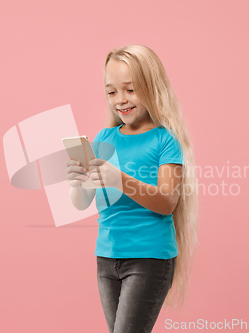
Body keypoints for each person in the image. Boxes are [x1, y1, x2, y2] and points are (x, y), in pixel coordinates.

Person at [65, 44, 198, 333]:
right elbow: (82, 200)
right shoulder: (104, 137)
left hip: (149, 259)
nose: (120, 100)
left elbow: (167, 202)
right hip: (106, 258)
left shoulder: (165, 141)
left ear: (151, 88)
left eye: (130, 89)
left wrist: (119, 179)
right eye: (111, 92)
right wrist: (77, 182)